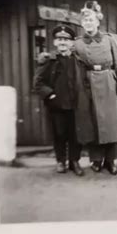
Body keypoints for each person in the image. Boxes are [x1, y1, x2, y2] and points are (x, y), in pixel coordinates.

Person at [73, 0, 117, 175]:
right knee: (93, 123)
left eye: (91, 20)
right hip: (88, 85)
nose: (88, 23)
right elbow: (67, 55)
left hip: (108, 82)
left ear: (98, 21)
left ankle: (110, 161)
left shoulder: (109, 39)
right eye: (85, 21)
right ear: (82, 23)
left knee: (111, 123)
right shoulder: (78, 43)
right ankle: (96, 160)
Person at [33, 25, 84, 176]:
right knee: (59, 134)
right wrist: (51, 95)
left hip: (75, 104)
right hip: (56, 105)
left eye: (66, 40)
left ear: (72, 43)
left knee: (75, 134)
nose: (62, 42)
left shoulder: (77, 61)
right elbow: (38, 83)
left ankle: (74, 162)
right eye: (59, 39)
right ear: (55, 42)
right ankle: (61, 161)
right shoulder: (49, 60)